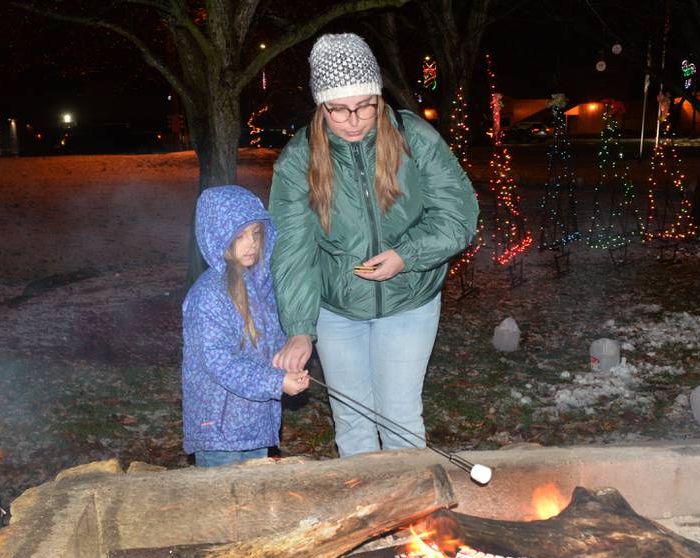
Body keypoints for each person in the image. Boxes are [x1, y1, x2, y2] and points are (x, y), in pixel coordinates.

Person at [269, 33, 478, 458]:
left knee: (399, 415)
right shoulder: (299, 159)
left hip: (410, 301)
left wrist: (407, 256)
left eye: (365, 105)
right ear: (320, 105)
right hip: (337, 311)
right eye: (339, 109)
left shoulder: (412, 138)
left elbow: (459, 215)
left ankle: (413, 518)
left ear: (379, 99)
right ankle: (370, 518)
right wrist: (299, 330)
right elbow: (294, 251)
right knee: (353, 419)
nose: (353, 119)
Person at [182, 185, 309, 467]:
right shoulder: (208, 295)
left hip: (257, 424)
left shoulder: (260, 287)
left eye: (256, 233)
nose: (251, 243)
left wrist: (285, 364)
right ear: (218, 237)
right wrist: (275, 382)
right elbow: (219, 362)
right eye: (239, 236)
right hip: (219, 430)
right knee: (224, 506)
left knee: (256, 504)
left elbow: (271, 339)